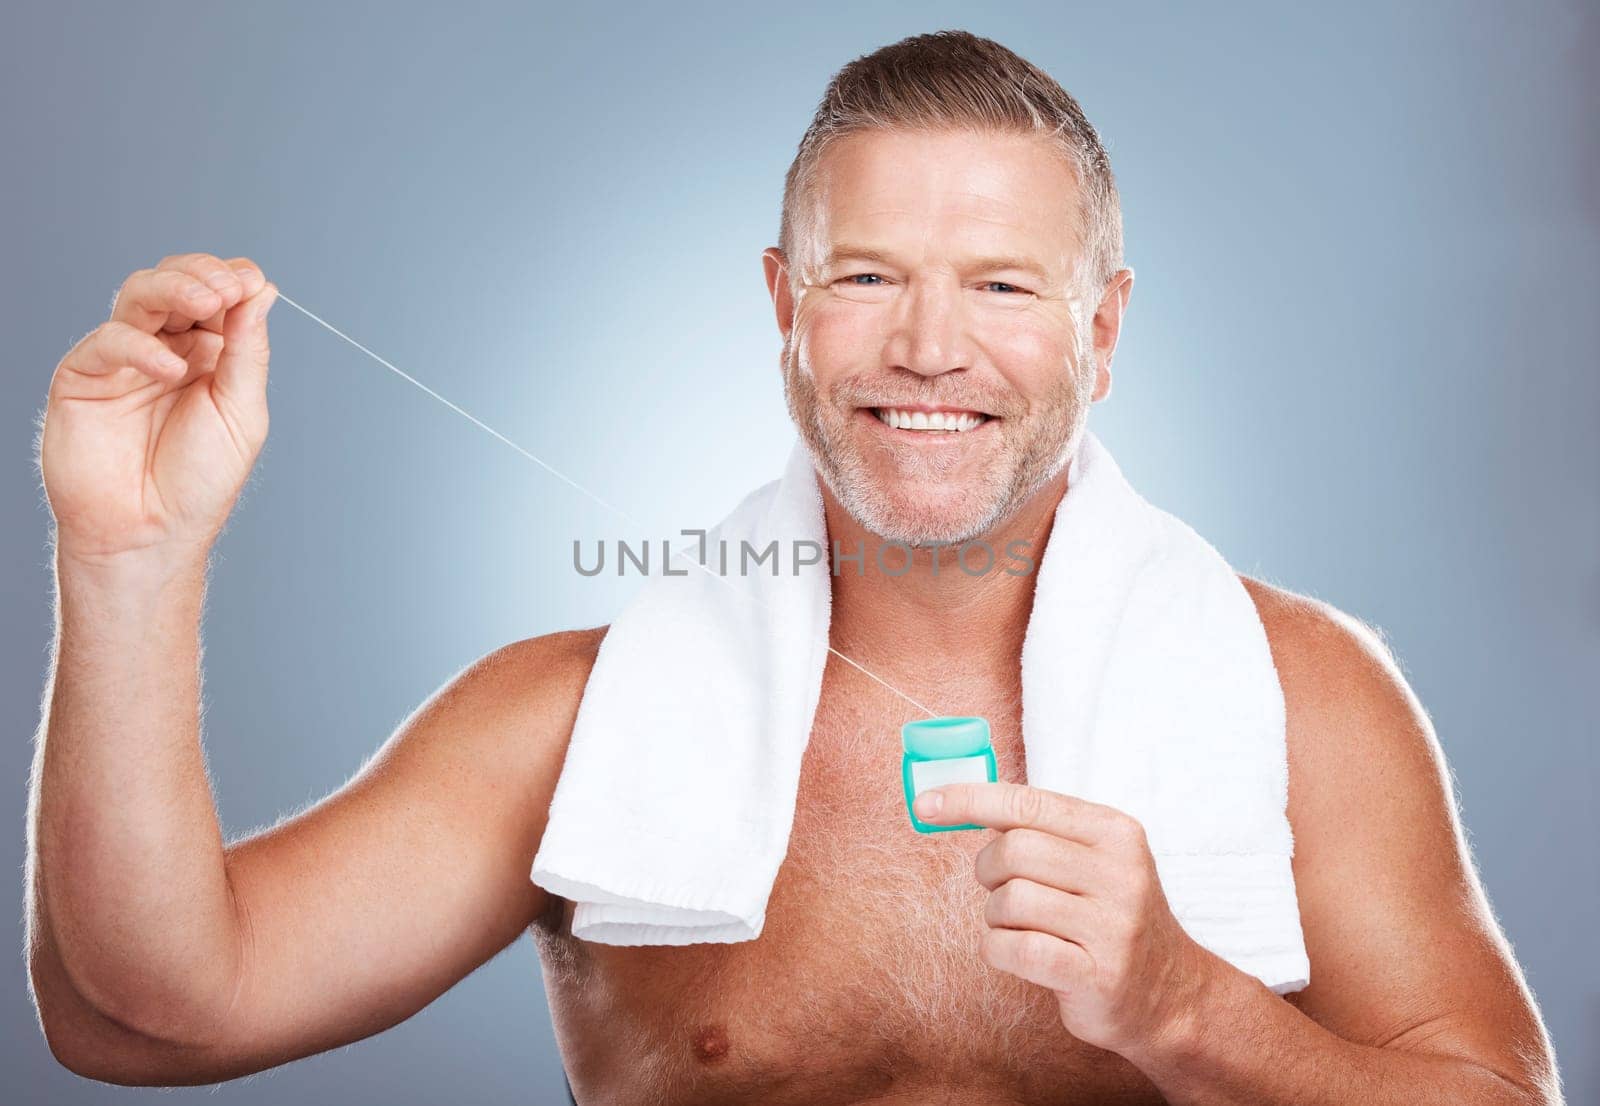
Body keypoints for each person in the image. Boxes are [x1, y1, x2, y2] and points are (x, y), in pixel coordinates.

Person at [25, 29, 1562, 1105]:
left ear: (1101, 331)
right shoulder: (574, 721)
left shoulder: (1305, 698)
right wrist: (129, 562)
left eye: (1004, 285)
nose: (930, 345)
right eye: (868, 276)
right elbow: (145, 1012)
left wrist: (1190, 1011)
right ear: (783, 302)